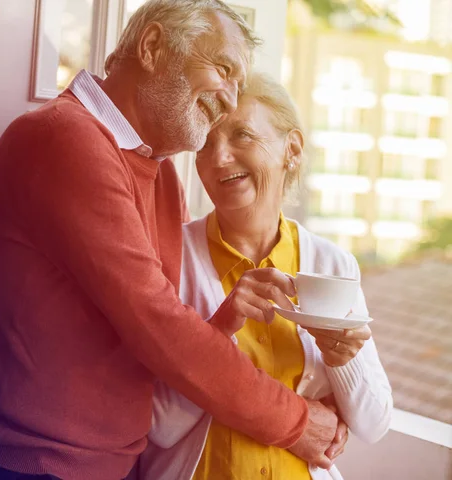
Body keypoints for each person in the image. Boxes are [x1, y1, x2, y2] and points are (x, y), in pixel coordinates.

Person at [0, 1, 342, 479]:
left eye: (239, 82)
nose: (230, 96)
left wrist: (223, 324)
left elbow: (163, 339)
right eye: (223, 69)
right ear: (153, 47)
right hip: (35, 466)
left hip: (113, 463)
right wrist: (296, 422)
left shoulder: (160, 175)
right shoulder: (66, 139)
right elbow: (161, 328)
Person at [138, 72, 393, 480]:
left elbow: (374, 423)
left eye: (242, 136)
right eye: (206, 142)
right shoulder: (168, 256)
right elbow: (158, 426)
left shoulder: (333, 266)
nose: (219, 157)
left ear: (290, 149)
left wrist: (342, 360)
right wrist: (216, 332)